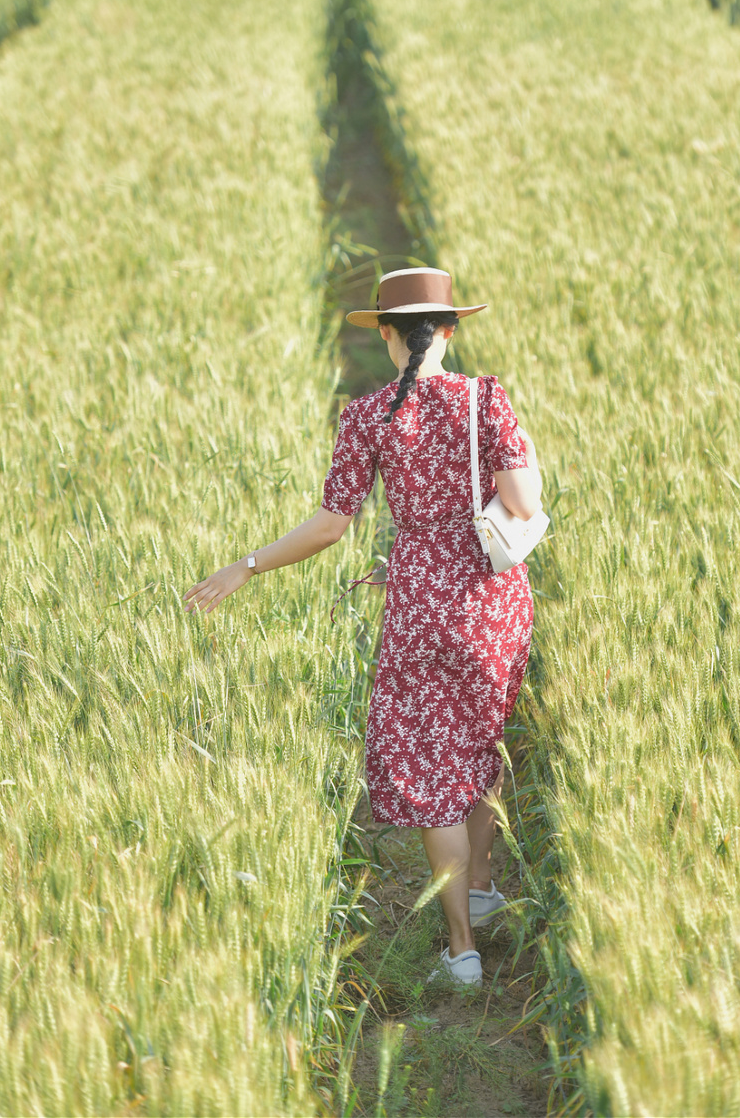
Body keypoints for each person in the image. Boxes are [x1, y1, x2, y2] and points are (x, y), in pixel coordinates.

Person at [184, 267, 542, 988]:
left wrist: (248, 565)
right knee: (479, 745)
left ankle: (461, 946)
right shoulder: (487, 400)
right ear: (449, 329)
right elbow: (523, 504)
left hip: (416, 605)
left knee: (435, 768)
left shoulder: (369, 416)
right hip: (492, 602)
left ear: (385, 336)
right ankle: (480, 883)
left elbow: (330, 524)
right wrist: (521, 452)